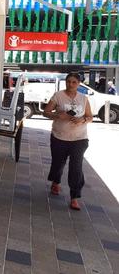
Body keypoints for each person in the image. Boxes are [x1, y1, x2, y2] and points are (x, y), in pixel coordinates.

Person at [43, 72, 93, 210]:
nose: (70, 84)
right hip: (59, 136)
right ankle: (56, 180)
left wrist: (82, 119)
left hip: (79, 138)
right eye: (68, 81)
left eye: (74, 82)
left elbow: (90, 116)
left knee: (76, 167)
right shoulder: (58, 96)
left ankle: (75, 197)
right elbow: (45, 112)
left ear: (79, 84)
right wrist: (58, 115)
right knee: (58, 163)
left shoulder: (83, 98)